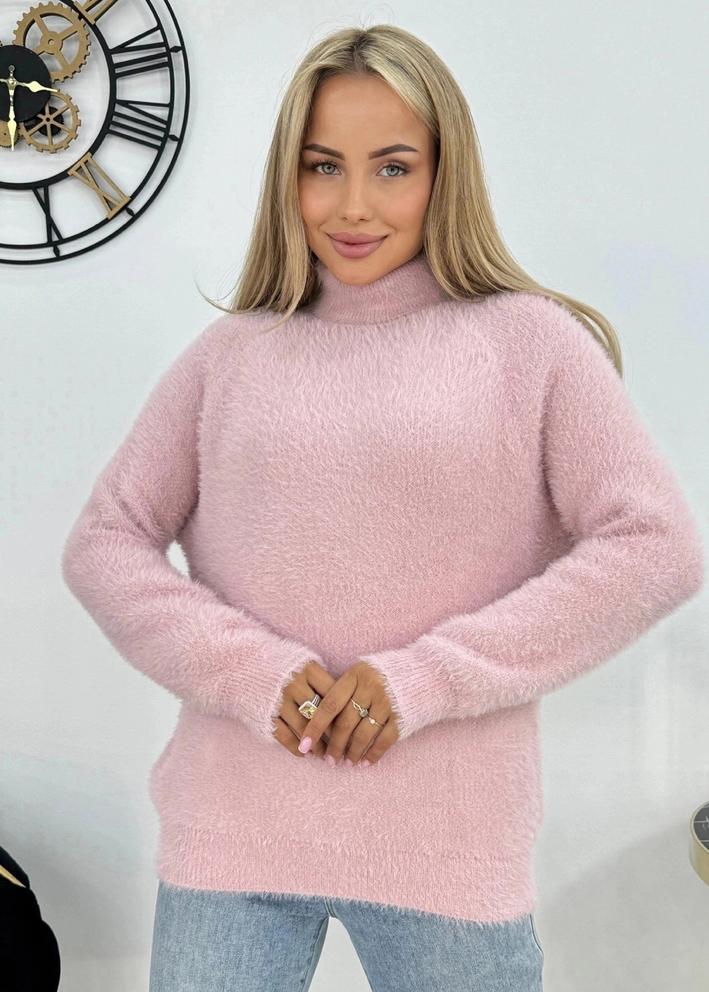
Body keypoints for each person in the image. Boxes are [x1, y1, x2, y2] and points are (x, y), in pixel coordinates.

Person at [60, 23, 704, 992]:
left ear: (445, 175)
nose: (352, 204)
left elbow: (656, 546)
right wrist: (249, 670)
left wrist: (428, 678)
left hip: (448, 845)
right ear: (288, 176)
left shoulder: (529, 344)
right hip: (231, 836)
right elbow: (105, 541)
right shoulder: (232, 354)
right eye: (322, 166)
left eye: (392, 167)